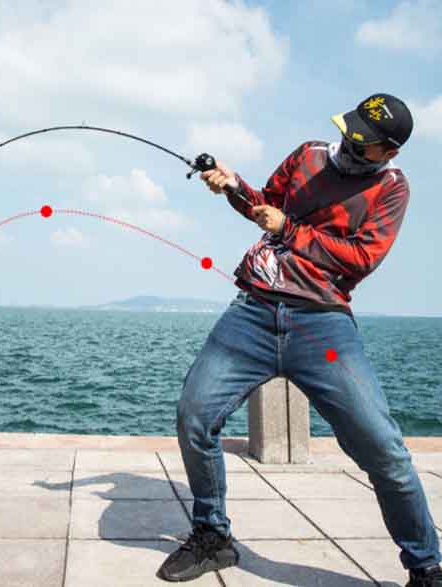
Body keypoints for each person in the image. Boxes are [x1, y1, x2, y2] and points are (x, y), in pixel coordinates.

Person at [157, 94, 442, 586]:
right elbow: (261, 207)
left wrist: (289, 228)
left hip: (323, 333)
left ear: (388, 152)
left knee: (384, 449)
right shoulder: (308, 154)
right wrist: (231, 185)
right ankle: (213, 535)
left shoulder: (392, 188)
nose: (351, 143)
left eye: (365, 142)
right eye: (350, 130)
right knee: (195, 415)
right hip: (253, 314)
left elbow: (359, 259)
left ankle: (427, 566)